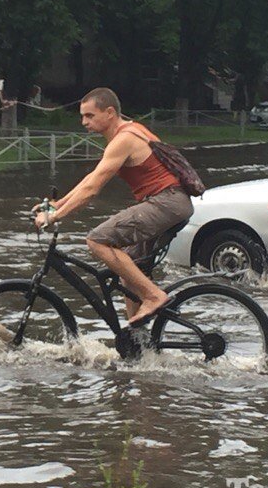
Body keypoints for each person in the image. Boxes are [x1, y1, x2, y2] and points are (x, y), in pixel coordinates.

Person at [33, 87, 194, 327]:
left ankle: (153, 296)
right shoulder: (130, 130)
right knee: (129, 272)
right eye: (82, 116)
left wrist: (53, 218)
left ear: (109, 113)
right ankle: (136, 340)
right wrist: (59, 203)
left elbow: (92, 190)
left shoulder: (123, 140)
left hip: (166, 202)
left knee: (97, 240)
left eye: (89, 115)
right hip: (172, 203)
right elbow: (91, 178)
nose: (83, 122)